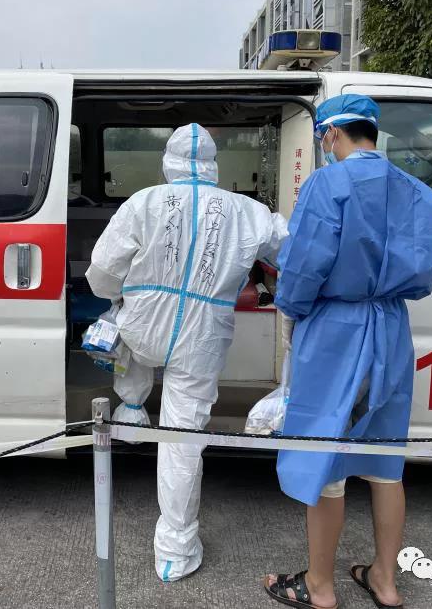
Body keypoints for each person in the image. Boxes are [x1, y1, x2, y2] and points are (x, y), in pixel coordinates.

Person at [263, 94, 432, 609]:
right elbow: (422, 272)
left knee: (325, 454)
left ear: (331, 134)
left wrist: (291, 311)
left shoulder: (328, 183)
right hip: (391, 327)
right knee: (386, 461)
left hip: (335, 329)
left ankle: (320, 586)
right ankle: (385, 580)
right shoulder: (418, 192)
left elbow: (304, 264)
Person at [87, 123, 287, 582]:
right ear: (213, 166)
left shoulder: (143, 203)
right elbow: (294, 248)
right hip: (202, 337)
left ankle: (132, 408)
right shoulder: (246, 211)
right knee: (181, 440)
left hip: (142, 328)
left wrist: (123, 296)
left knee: (126, 334)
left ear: (168, 163)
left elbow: (102, 273)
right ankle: (175, 552)